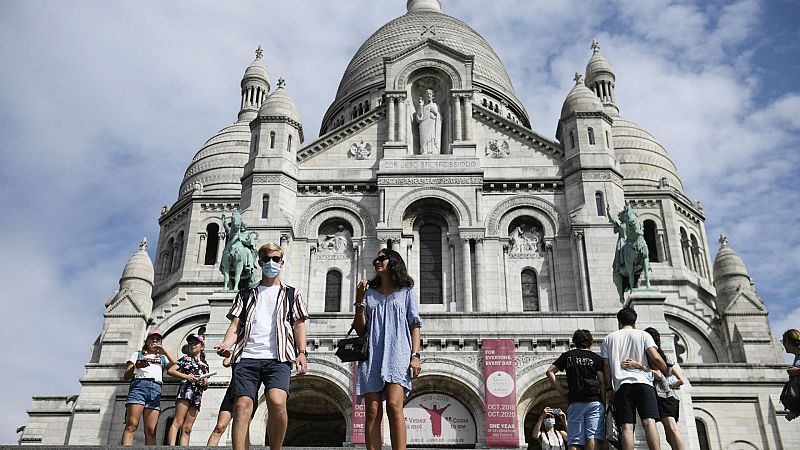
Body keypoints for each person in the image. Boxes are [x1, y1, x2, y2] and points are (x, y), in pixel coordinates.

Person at [215, 243, 310, 450]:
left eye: (275, 259)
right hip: (247, 356)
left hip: (279, 357)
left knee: (277, 401)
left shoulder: (292, 294)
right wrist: (226, 344)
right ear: (259, 262)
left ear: (282, 262)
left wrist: (302, 353)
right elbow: (235, 325)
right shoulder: (245, 294)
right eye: (266, 259)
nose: (271, 263)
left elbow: (299, 325)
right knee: (241, 407)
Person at [354, 249, 422, 450]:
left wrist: (415, 356)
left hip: (398, 352)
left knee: (394, 405)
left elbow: (415, 325)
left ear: (393, 262)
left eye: (381, 258)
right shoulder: (369, 293)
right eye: (375, 259)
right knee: (373, 410)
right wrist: (360, 300)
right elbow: (360, 329)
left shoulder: (406, 290)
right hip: (372, 354)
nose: (376, 262)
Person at [601, 307, 668, 450]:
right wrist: (666, 370)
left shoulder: (608, 339)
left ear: (619, 321)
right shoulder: (644, 335)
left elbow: (606, 366)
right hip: (644, 383)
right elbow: (656, 357)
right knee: (649, 422)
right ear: (635, 322)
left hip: (622, 386)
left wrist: (608, 388)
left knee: (627, 426)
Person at [621, 328, 686, 450]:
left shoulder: (653, 356)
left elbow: (658, 374)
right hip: (669, 396)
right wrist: (669, 386)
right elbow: (680, 380)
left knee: (672, 429)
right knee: (669, 434)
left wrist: (639, 366)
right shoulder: (664, 355)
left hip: (662, 396)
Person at [546, 329, 605, 450]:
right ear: (590, 342)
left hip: (575, 401)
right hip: (594, 401)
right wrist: (604, 402)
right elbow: (602, 382)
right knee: (593, 436)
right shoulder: (596, 358)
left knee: (575, 439)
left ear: (574, 342)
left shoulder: (568, 356)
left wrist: (562, 391)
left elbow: (550, 372)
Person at [121, 329, 177, 446]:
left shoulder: (162, 358)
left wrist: (164, 351)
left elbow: (176, 364)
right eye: (152, 338)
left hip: (155, 389)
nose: (155, 341)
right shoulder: (137, 354)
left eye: (158, 339)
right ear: (147, 340)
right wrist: (136, 365)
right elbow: (126, 375)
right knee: (132, 425)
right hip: (139, 387)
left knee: (151, 430)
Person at [166, 334, 210, 446]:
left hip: (197, 395)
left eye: (195, 343)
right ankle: (171, 447)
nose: (192, 345)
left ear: (202, 346)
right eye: (190, 343)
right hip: (185, 391)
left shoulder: (205, 364)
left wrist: (205, 382)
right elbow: (171, 370)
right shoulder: (185, 359)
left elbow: (206, 386)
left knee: (188, 427)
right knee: (177, 422)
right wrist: (186, 377)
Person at [782, 329, 800, 420]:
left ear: (788, 341)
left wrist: (798, 371)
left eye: (783, 341)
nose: (783, 345)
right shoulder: (797, 356)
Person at [415, 88, 440, 154]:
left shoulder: (435, 105)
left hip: (432, 123)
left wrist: (434, 112)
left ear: (432, 95)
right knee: (424, 138)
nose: (428, 95)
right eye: (427, 94)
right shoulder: (422, 106)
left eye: (430, 94)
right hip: (423, 124)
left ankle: (433, 150)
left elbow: (439, 116)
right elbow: (419, 117)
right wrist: (420, 106)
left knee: (432, 136)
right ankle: (424, 150)